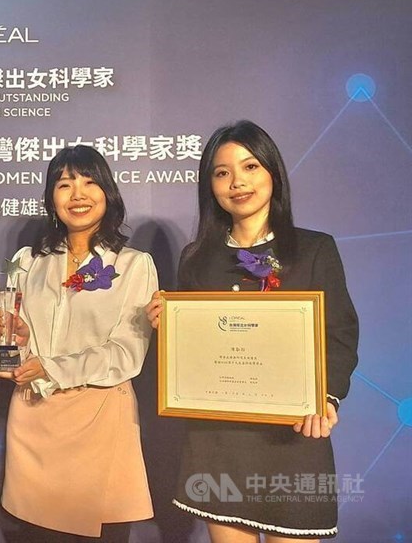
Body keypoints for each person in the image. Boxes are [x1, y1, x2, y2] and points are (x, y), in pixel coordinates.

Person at [146, 120, 359, 542]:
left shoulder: (314, 248)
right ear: (210, 185)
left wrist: (326, 397)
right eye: (222, 172)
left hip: (295, 435)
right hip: (218, 439)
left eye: (250, 166)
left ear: (272, 174)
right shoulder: (196, 257)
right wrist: (166, 326)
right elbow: (194, 351)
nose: (237, 181)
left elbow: (339, 332)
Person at [0, 145, 158, 542]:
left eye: (89, 182)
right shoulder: (28, 261)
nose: (77, 194)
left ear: (108, 192)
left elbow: (127, 351)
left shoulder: (133, 264)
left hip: (99, 419)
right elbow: (19, 338)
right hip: (34, 417)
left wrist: (53, 366)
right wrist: (17, 339)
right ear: (52, 198)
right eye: (65, 184)